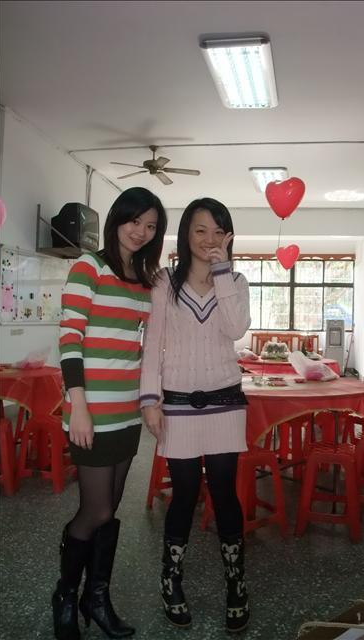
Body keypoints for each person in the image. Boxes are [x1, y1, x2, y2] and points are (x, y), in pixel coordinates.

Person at [52, 187, 168, 640]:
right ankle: (66, 596)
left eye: (151, 226)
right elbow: (70, 338)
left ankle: (96, 597)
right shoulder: (89, 266)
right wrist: (77, 404)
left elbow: (143, 344)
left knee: (111, 508)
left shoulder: (144, 280)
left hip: (127, 411)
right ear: (118, 219)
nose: (141, 232)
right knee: (96, 509)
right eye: (135, 221)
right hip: (91, 410)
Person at [140, 197, 251, 633]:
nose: (209, 239)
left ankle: (236, 583)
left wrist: (221, 271)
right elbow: (153, 344)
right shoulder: (164, 282)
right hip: (178, 404)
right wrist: (150, 400)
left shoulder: (236, 281)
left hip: (225, 402)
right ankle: (170, 580)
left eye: (218, 231)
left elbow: (236, 329)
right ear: (186, 233)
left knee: (224, 493)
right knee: (184, 494)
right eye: (200, 230)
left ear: (228, 237)